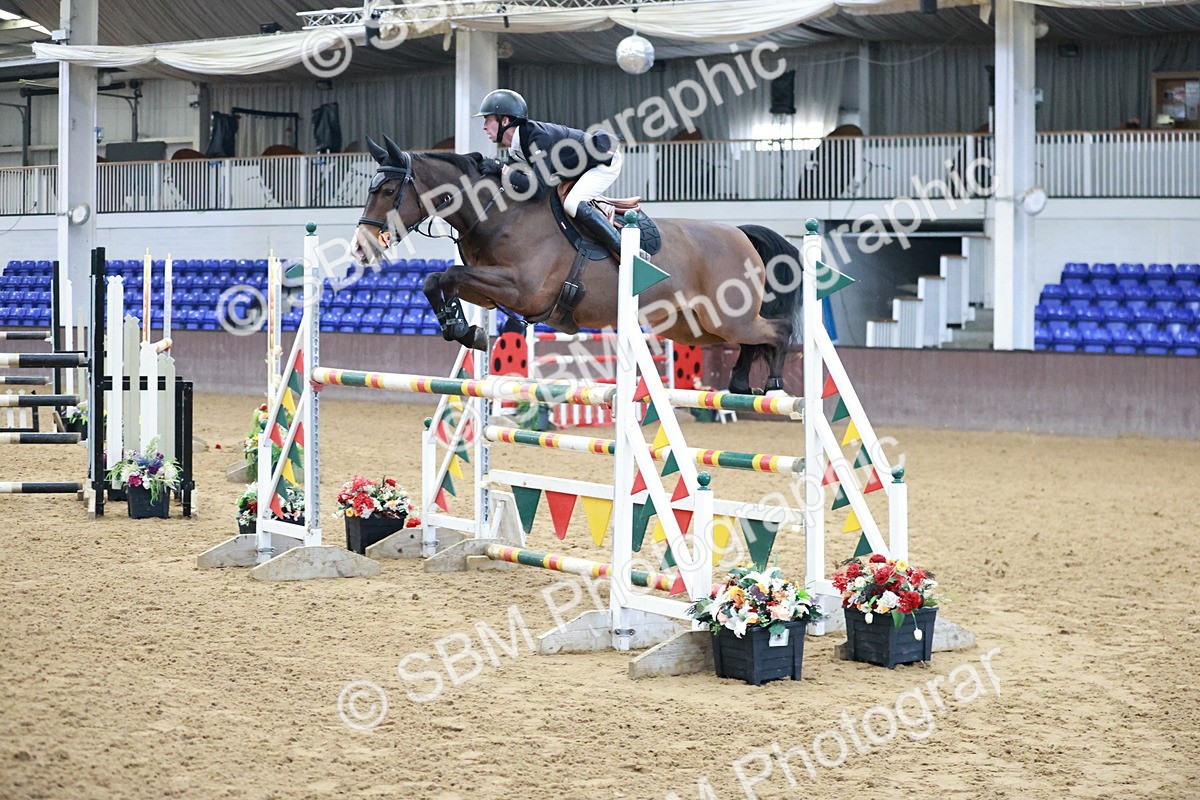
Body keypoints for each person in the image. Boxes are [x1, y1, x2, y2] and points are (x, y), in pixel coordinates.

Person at [475, 88, 624, 256]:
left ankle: (624, 249)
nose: (484, 127)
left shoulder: (538, 138)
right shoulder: (517, 146)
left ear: (505, 121)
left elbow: (537, 189)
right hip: (575, 168)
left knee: (572, 203)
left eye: (487, 119)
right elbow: (515, 178)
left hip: (603, 162)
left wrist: (501, 168)